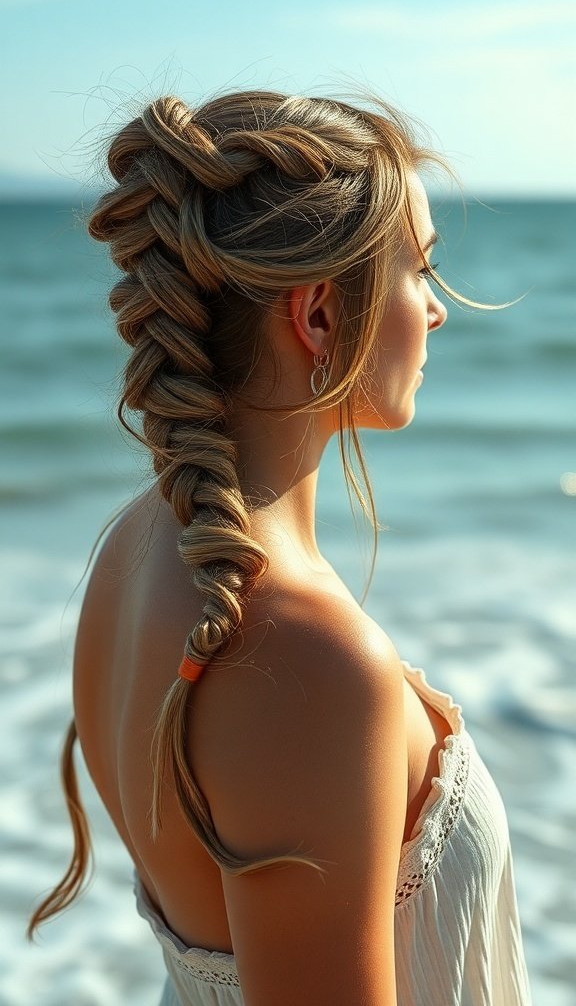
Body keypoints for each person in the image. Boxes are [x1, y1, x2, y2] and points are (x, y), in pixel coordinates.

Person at [28, 87, 532, 1005]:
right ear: (320, 318)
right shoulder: (305, 663)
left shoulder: (138, 548)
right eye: (420, 271)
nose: (438, 311)